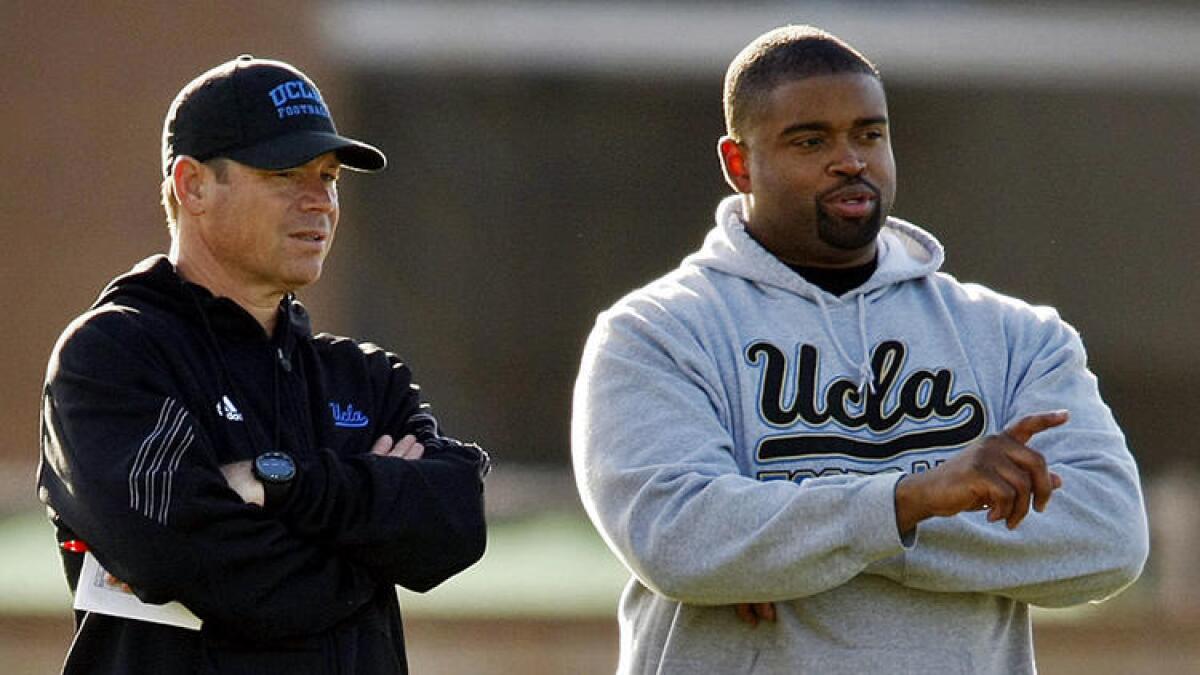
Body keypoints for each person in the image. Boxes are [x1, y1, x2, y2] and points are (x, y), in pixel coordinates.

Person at [572, 25, 1147, 674]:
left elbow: (1108, 537)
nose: (851, 159)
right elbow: (680, 540)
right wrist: (916, 498)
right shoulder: (655, 332)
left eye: (869, 134)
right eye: (810, 139)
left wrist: (791, 541)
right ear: (739, 165)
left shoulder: (1018, 337)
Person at [38, 55, 491, 675]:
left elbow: (455, 524)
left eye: (329, 177)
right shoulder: (114, 354)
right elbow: (199, 563)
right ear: (192, 185)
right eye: (286, 174)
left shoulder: (363, 377)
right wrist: (368, 549)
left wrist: (284, 482)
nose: (321, 203)